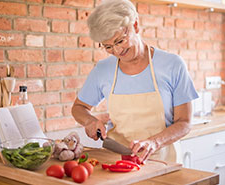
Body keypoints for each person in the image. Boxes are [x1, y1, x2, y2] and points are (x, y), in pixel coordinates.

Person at [71, 0, 198, 163]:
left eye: (120, 41)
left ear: (136, 25)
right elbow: (79, 108)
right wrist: (90, 121)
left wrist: (154, 142)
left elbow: (184, 122)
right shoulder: (103, 69)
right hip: (115, 159)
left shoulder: (172, 65)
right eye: (108, 47)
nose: (117, 51)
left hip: (162, 160)